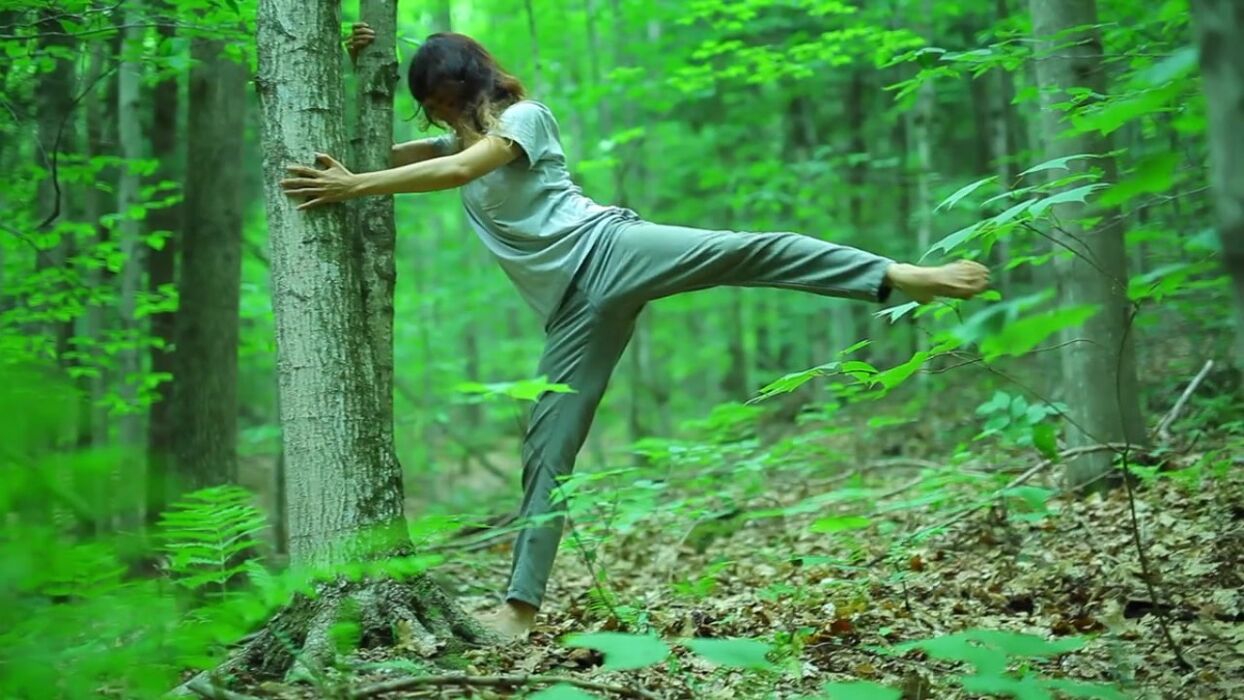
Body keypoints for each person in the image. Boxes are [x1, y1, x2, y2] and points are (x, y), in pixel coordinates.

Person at [280, 26, 990, 639]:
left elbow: (460, 167)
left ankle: (898, 275)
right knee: (548, 443)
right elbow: (375, 147)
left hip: (610, 249)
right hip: (573, 311)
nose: (442, 112)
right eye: (432, 104)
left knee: (750, 250)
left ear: (474, 85)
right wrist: (359, 67)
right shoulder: (445, 141)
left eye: (447, 97)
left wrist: (355, 186)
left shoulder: (525, 118)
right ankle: (520, 608)